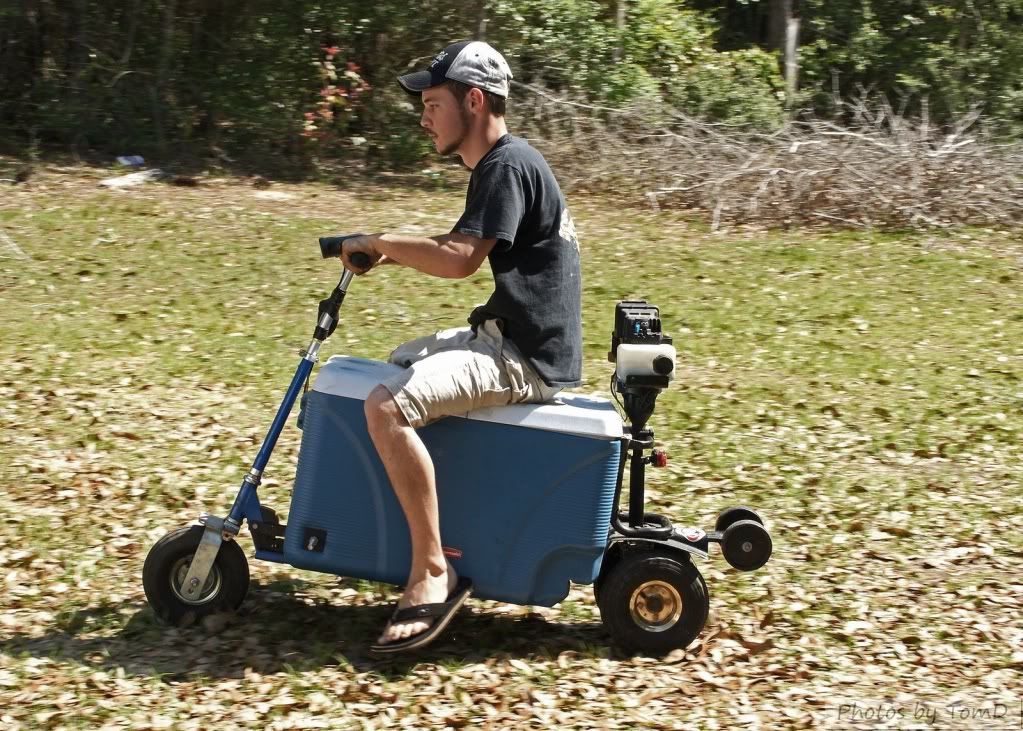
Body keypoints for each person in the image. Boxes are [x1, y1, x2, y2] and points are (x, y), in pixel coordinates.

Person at [339, 40, 582, 653]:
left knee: (385, 406)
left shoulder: (505, 165)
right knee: (398, 362)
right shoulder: (506, 163)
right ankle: (435, 527)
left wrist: (382, 241)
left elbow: (458, 259)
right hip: (513, 338)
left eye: (433, 103)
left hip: (523, 356)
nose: (424, 116)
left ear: (474, 101)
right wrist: (384, 248)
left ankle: (431, 572)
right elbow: (460, 247)